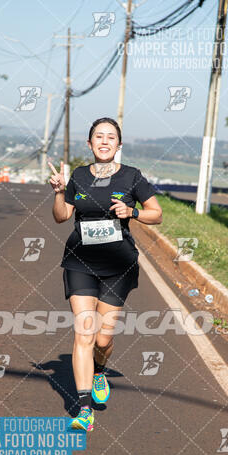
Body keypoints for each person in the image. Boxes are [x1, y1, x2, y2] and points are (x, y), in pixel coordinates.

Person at [49, 117, 162, 432]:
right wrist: (59, 192)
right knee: (84, 333)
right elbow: (61, 217)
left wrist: (133, 212)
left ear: (118, 144)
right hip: (80, 261)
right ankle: (84, 409)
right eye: (98, 136)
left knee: (103, 338)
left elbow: (157, 214)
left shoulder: (132, 177)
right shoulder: (79, 176)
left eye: (110, 137)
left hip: (117, 265)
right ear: (89, 143)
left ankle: (100, 369)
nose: (104, 141)